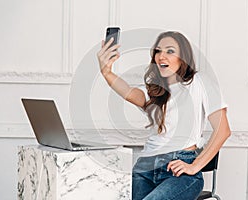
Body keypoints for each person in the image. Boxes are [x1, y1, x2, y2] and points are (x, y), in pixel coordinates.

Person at [97, 31, 231, 200]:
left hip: (179, 169)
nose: (161, 56)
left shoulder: (199, 82)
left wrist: (194, 166)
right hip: (144, 169)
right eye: (158, 51)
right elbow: (128, 92)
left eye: (170, 51)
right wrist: (106, 71)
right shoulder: (154, 91)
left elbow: (223, 130)